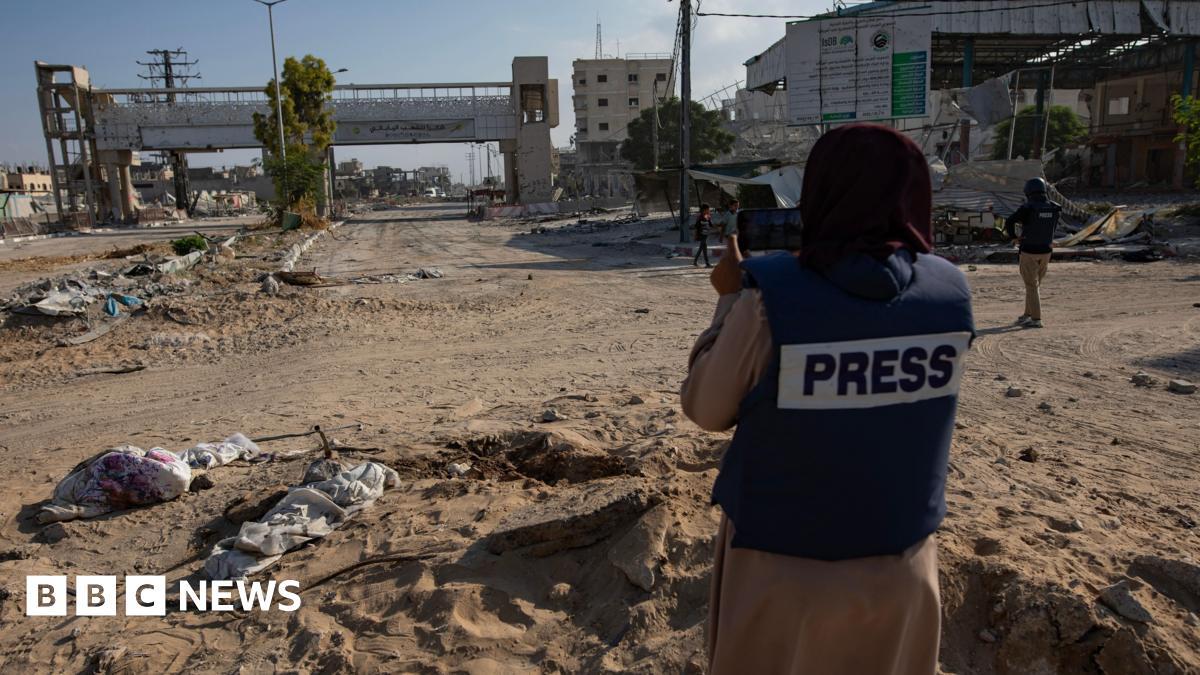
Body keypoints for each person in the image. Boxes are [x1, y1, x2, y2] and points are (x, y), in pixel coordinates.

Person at [681, 124, 975, 675]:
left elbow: (706, 409)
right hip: (905, 566)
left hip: (781, 567)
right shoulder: (951, 293)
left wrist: (727, 302)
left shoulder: (770, 296)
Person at [1004, 177, 1061, 328]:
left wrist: (1014, 238)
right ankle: (1027, 315)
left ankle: (1036, 319)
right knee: (1034, 286)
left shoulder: (1027, 208)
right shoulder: (1054, 208)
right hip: (1046, 251)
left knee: (1031, 285)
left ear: (1028, 191)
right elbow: (1052, 228)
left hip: (1029, 251)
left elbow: (1009, 221)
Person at [693, 203, 714, 267]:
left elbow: (711, 225)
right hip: (701, 235)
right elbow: (696, 227)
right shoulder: (700, 217)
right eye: (708, 209)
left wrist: (718, 226)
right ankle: (706, 263)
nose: (708, 210)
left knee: (703, 248)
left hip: (706, 235)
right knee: (702, 248)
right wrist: (695, 235)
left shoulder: (708, 216)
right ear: (704, 210)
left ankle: (697, 262)